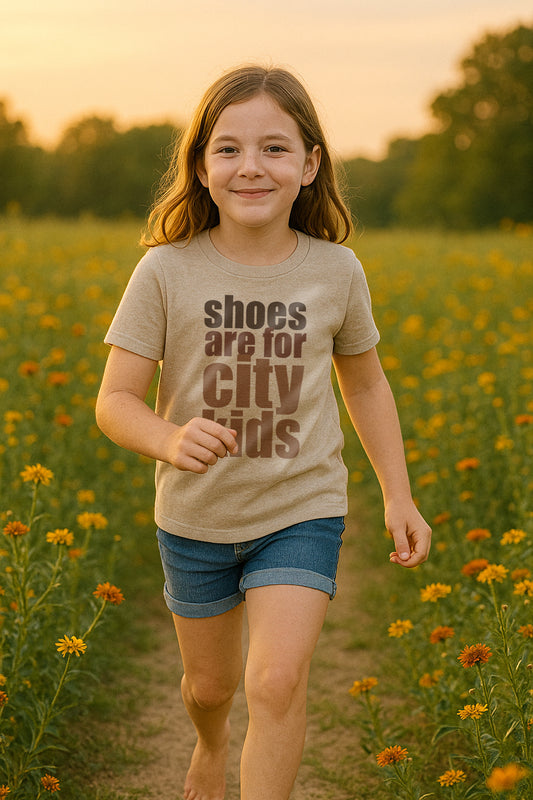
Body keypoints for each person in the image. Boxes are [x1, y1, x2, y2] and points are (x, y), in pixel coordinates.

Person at [96, 64, 431, 800]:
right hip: (195, 516)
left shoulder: (336, 270)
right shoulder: (163, 272)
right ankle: (208, 746)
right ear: (202, 167)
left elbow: (366, 383)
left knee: (276, 682)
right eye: (228, 149)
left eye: (275, 148)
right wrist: (167, 438)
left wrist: (396, 495)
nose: (251, 166)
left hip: (300, 510)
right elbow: (116, 400)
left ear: (310, 165)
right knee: (211, 688)